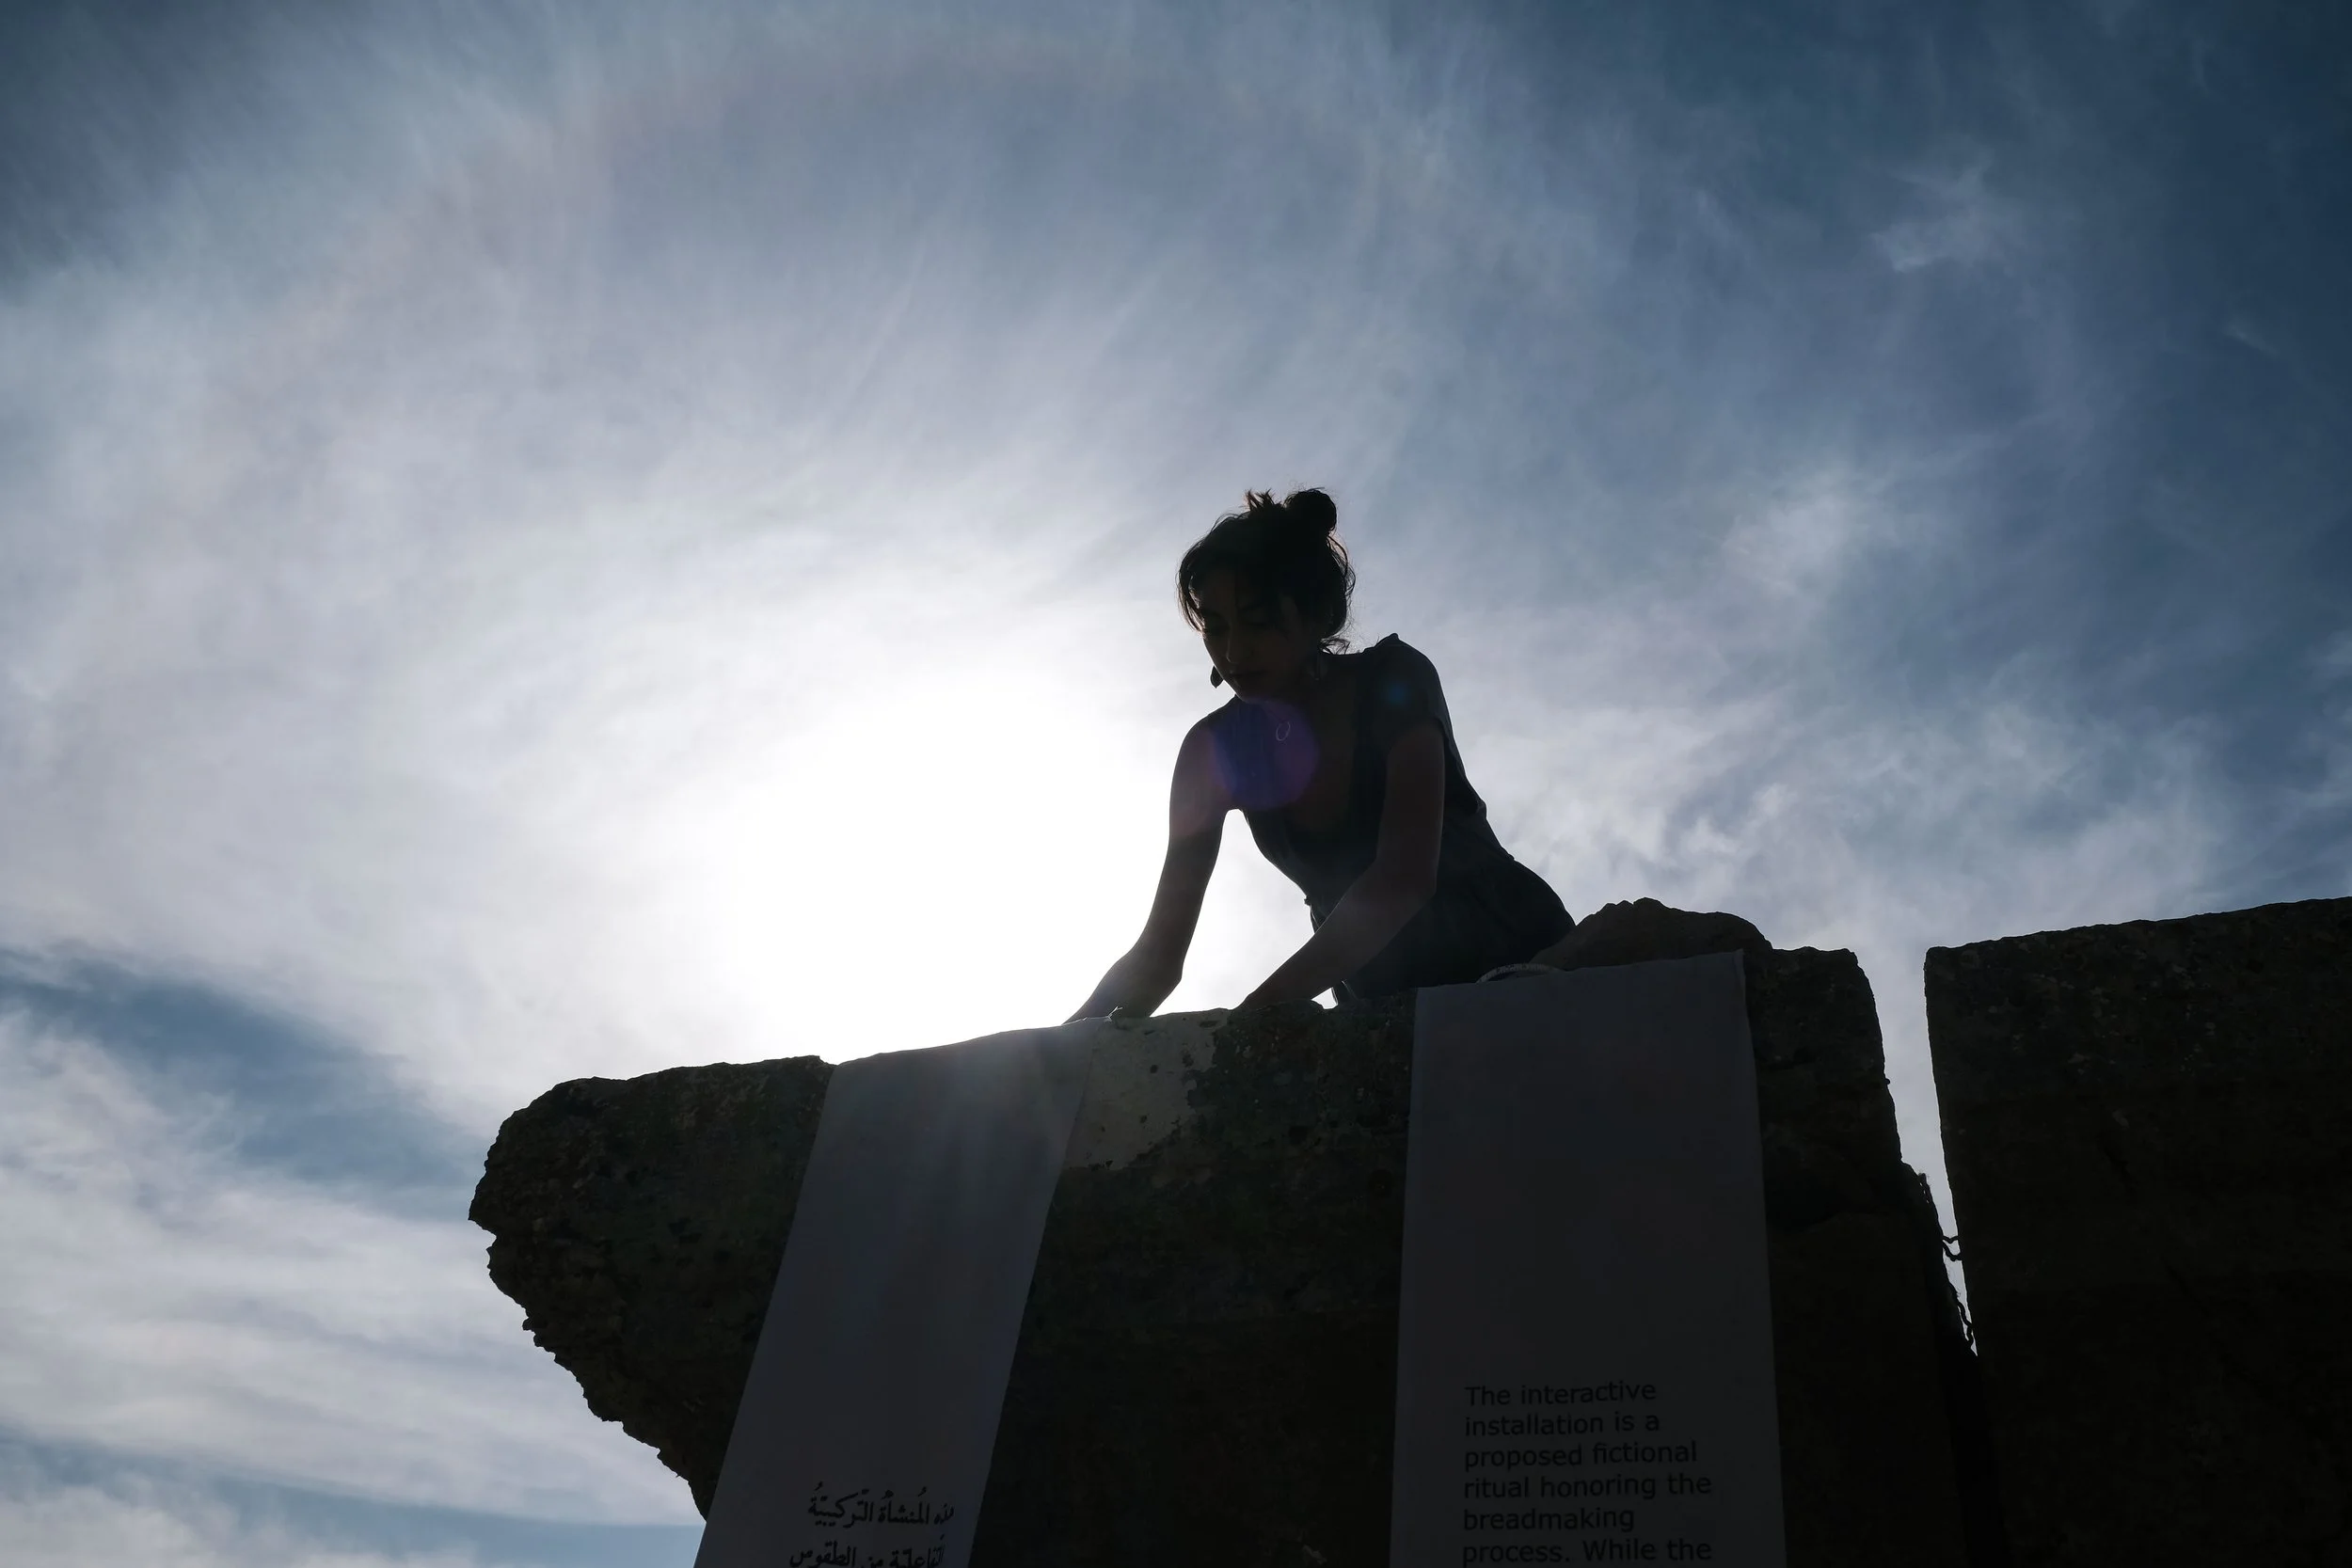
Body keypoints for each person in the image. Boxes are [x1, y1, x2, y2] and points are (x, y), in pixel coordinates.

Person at [1071, 488, 1575, 1020]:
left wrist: (1250, 1020)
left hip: (1520, 960)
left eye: (1259, 621)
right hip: (1379, 1001)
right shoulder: (1211, 751)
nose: (1234, 651)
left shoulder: (1393, 680)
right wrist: (1056, 1056)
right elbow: (1157, 957)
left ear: (1315, 616)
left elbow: (1402, 879)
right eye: (1215, 627)